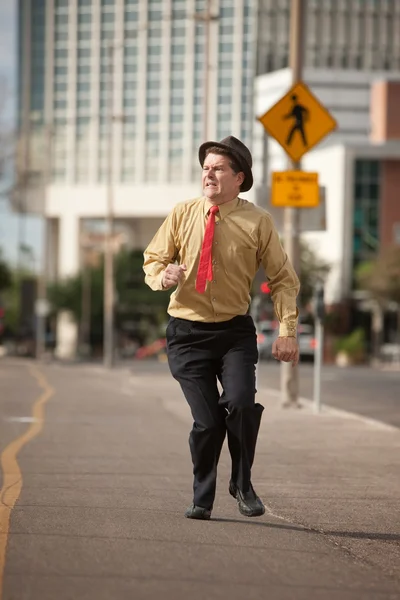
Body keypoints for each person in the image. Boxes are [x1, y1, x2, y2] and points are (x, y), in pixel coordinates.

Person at [143, 136, 300, 520]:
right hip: (187, 333)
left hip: (234, 332)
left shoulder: (257, 221)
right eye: (205, 168)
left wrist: (287, 330)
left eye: (217, 168)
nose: (208, 174)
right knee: (208, 420)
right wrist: (165, 275)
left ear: (238, 178)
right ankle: (203, 495)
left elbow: (283, 278)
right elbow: (152, 259)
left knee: (241, 404)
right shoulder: (182, 213)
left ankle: (242, 483)